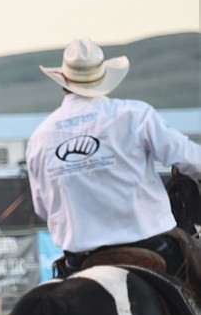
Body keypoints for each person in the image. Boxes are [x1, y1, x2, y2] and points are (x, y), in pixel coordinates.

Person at [26, 38, 201, 278]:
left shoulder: (40, 137)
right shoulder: (134, 115)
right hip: (152, 245)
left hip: (80, 259)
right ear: (104, 78)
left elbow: (43, 209)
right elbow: (192, 160)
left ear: (63, 81)